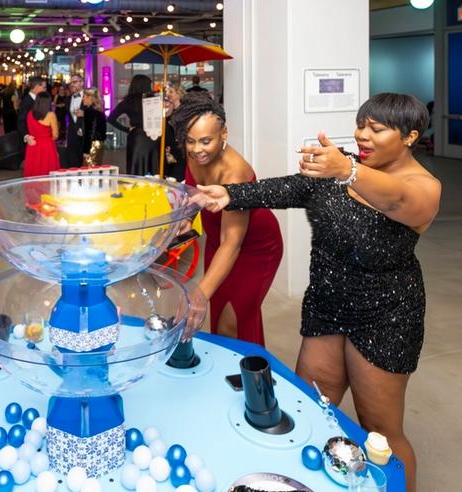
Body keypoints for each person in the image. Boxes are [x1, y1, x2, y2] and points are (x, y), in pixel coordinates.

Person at [193, 93, 441, 492]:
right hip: (327, 305)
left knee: (379, 430)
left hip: (385, 315)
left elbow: (397, 199)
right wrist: (231, 195)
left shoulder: (423, 186)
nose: (363, 135)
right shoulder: (346, 166)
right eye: (361, 125)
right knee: (306, 409)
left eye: (376, 129)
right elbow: (294, 189)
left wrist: (348, 170)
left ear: (410, 136)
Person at [169, 92, 282, 346]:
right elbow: (195, 188)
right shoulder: (195, 153)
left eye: (206, 141)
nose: (197, 149)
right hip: (216, 242)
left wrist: (198, 295)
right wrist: (190, 215)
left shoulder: (235, 172)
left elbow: (232, 242)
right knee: (219, 316)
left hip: (254, 246)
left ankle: (251, 378)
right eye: (190, 141)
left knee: (235, 319)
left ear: (224, 135)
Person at [108, 74, 159, 175]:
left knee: (136, 167)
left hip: (137, 137)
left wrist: (127, 129)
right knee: (153, 167)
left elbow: (111, 118)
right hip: (154, 135)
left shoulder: (127, 101)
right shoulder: (153, 100)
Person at [24, 92, 61, 177]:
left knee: (34, 171)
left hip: (33, 145)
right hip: (47, 146)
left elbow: (29, 129)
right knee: (47, 172)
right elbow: (55, 135)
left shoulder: (30, 114)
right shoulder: (51, 115)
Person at [163, 81, 188, 181]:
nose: (168, 94)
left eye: (171, 92)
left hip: (180, 148)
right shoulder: (171, 109)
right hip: (171, 148)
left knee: (177, 174)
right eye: (168, 92)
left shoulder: (183, 110)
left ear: (178, 94)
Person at [18, 76, 47, 154]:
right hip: (31, 139)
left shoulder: (37, 99)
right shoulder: (27, 101)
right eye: (44, 88)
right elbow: (21, 121)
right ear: (37, 87)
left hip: (38, 138)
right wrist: (26, 136)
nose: (45, 90)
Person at [79, 88, 107, 166]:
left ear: (90, 97)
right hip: (99, 144)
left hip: (92, 145)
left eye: (84, 96)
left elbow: (90, 132)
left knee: (88, 171)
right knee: (95, 169)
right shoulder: (99, 112)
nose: (83, 99)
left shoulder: (89, 112)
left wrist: (86, 151)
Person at [63, 74, 86, 168]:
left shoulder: (90, 96)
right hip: (72, 134)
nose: (72, 85)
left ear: (82, 83)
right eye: (71, 82)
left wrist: (85, 114)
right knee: (72, 161)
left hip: (86, 134)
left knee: (86, 163)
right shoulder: (68, 99)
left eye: (75, 82)